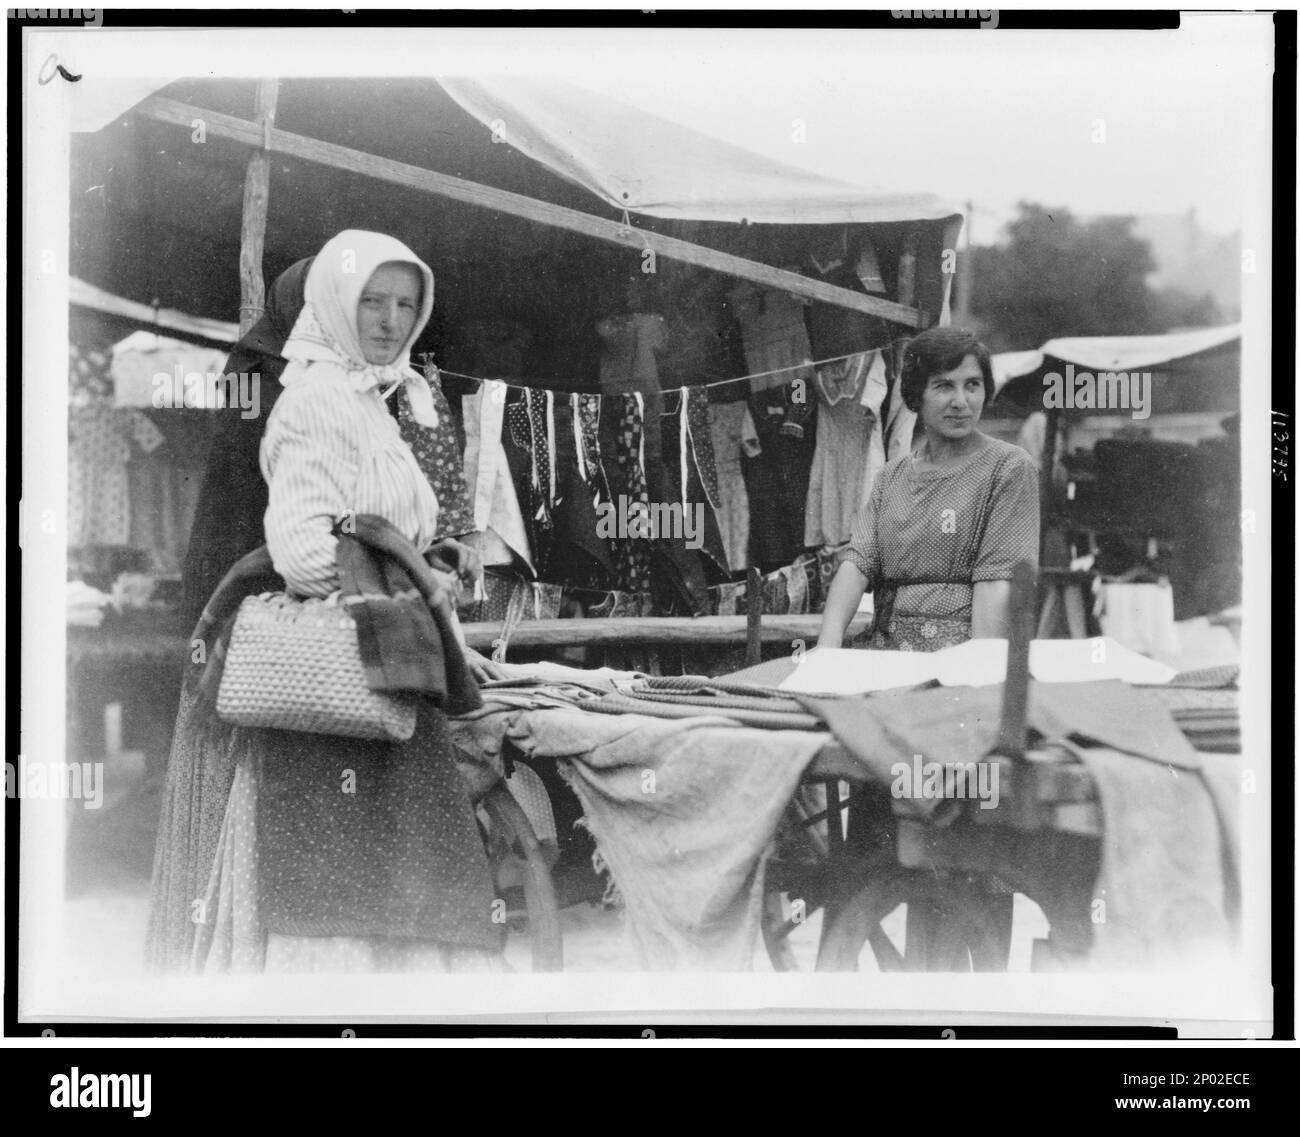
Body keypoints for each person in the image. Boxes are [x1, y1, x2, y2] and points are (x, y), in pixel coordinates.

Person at [148, 230, 504, 973]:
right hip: (342, 678)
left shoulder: (374, 397)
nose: (390, 321)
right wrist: (403, 577)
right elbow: (305, 553)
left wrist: (430, 556)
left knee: (397, 886)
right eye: (372, 302)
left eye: (406, 304)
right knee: (337, 902)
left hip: (384, 666)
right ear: (336, 306)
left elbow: (379, 525)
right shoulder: (312, 399)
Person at [818, 326, 1040, 653]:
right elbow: (857, 563)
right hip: (885, 650)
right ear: (916, 393)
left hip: (960, 655)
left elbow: (997, 581)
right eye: (944, 386)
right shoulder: (892, 476)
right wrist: (827, 647)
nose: (961, 402)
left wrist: (978, 675)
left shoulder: (1008, 467)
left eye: (973, 386)